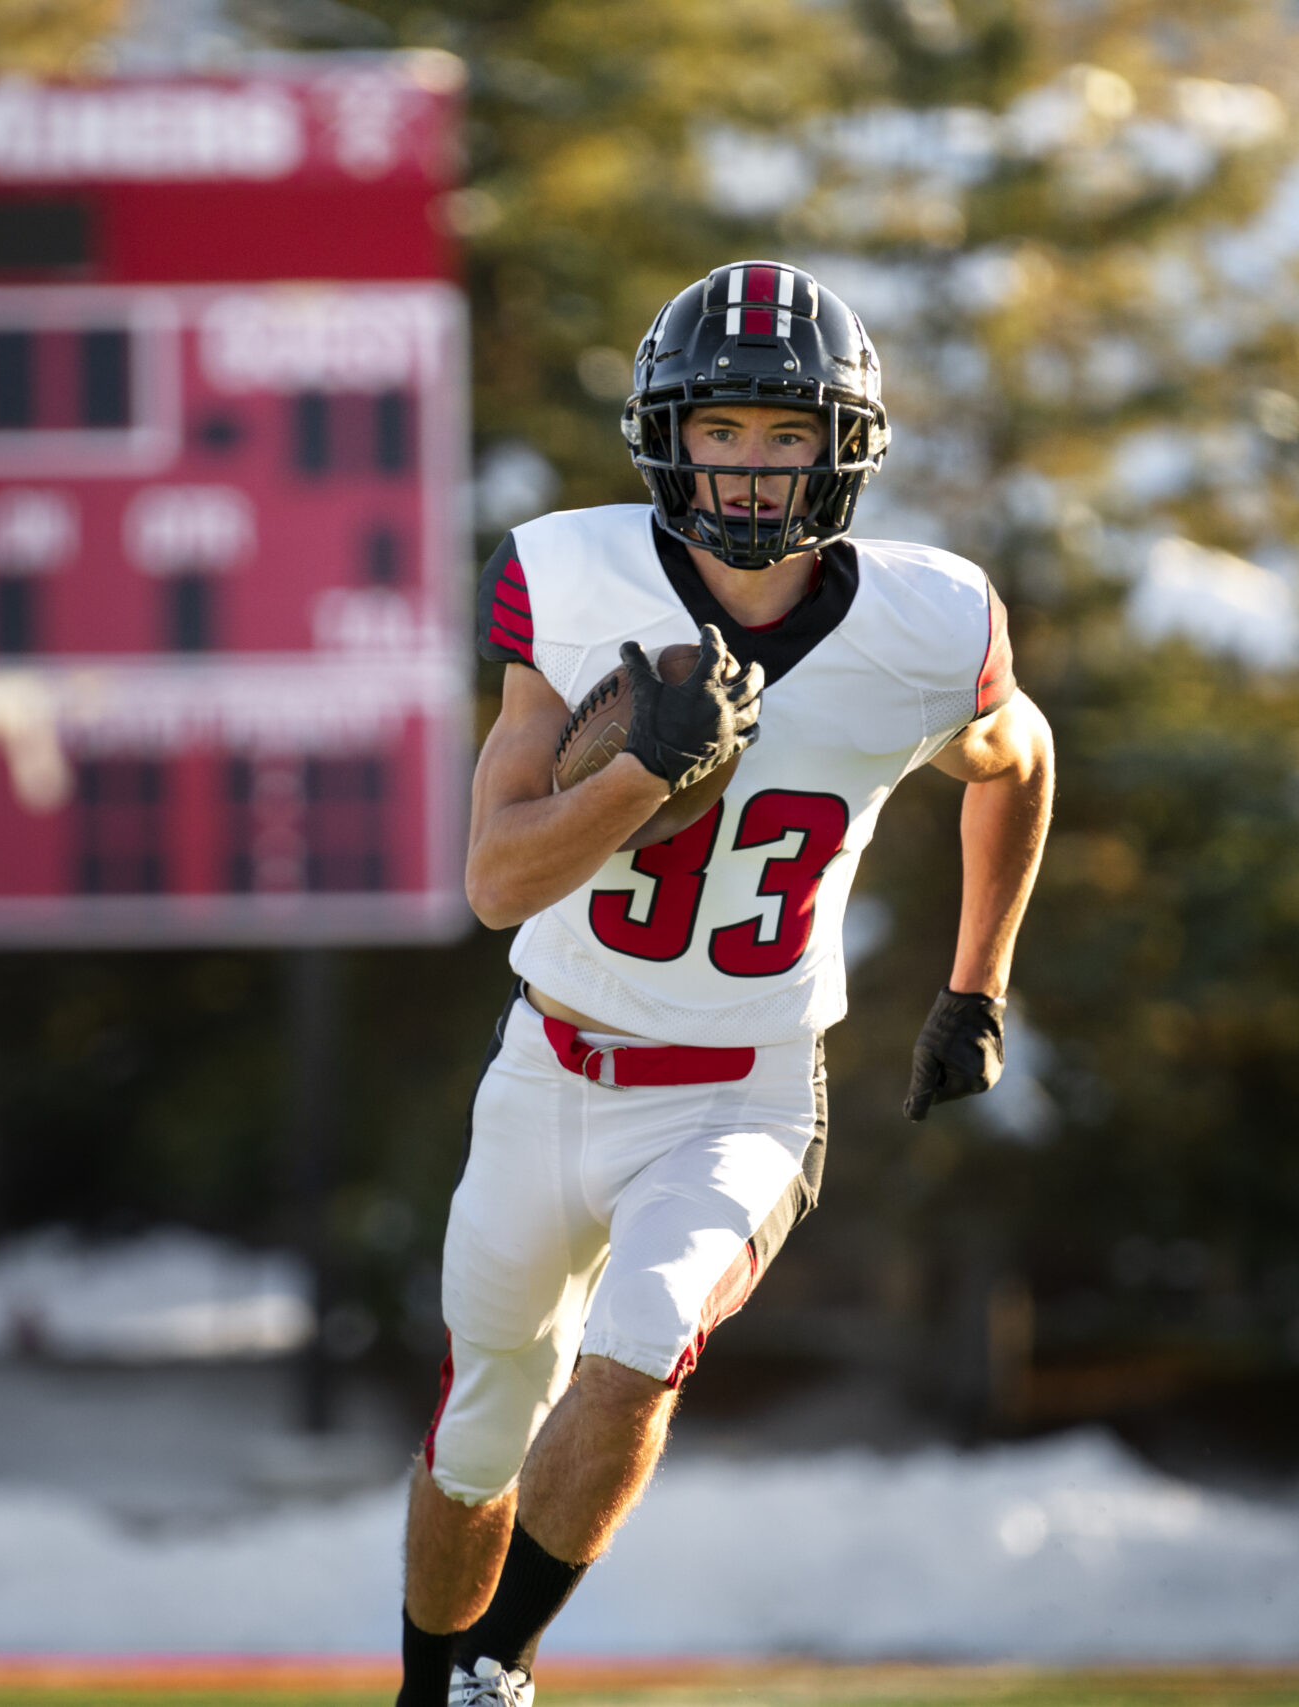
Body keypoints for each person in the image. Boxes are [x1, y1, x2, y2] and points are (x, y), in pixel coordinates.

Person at [398, 260, 1055, 1707]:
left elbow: (1020, 758)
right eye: (723, 432)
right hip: (550, 1065)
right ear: (665, 437)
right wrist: (643, 770)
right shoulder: (573, 582)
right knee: (479, 1432)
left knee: (637, 1351)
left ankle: (496, 1670)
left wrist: (977, 985)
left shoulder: (929, 624)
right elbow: (499, 881)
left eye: (786, 435)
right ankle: (426, 1686)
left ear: (847, 446)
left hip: (742, 1094)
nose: (752, 471)